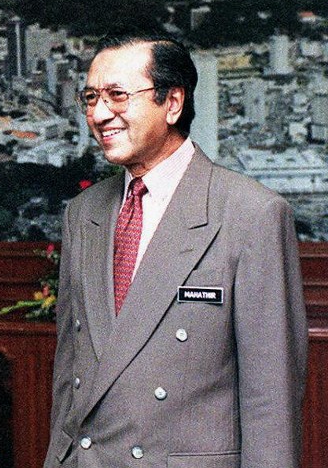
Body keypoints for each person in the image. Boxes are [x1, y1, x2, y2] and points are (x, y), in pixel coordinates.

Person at [44, 27, 308, 468]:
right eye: (90, 98)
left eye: (117, 95)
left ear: (172, 102)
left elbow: (271, 402)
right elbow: (69, 377)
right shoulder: (82, 214)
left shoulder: (251, 214)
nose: (100, 113)